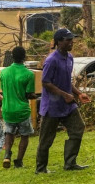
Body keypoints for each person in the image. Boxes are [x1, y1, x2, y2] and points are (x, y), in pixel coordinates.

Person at [34, 28, 90, 173]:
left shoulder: (70, 58)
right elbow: (46, 82)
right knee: (46, 139)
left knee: (78, 128)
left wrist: (78, 93)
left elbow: (66, 81)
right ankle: (40, 169)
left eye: (72, 39)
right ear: (59, 42)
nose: (71, 42)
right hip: (52, 106)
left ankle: (70, 163)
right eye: (68, 40)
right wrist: (64, 95)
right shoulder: (51, 60)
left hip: (68, 105)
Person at [0, 46, 36, 169]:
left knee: (9, 133)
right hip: (22, 110)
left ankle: (7, 155)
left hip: (7, 109)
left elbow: (3, 89)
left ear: (12, 57)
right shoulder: (29, 74)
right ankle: (19, 161)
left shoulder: (3, 72)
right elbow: (29, 94)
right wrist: (35, 95)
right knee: (24, 135)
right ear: (24, 57)